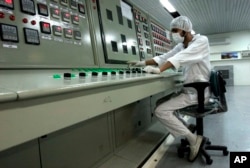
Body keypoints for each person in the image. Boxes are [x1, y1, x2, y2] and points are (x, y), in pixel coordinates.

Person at [128, 16, 211, 162]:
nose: (172, 33)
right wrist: (141, 63)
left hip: (197, 92)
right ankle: (187, 127)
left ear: (185, 30)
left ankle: (193, 140)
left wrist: (159, 71)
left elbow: (179, 58)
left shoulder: (201, 41)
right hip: (190, 90)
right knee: (160, 103)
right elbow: (164, 57)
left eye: (175, 30)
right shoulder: (182, 45)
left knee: (160, 111)